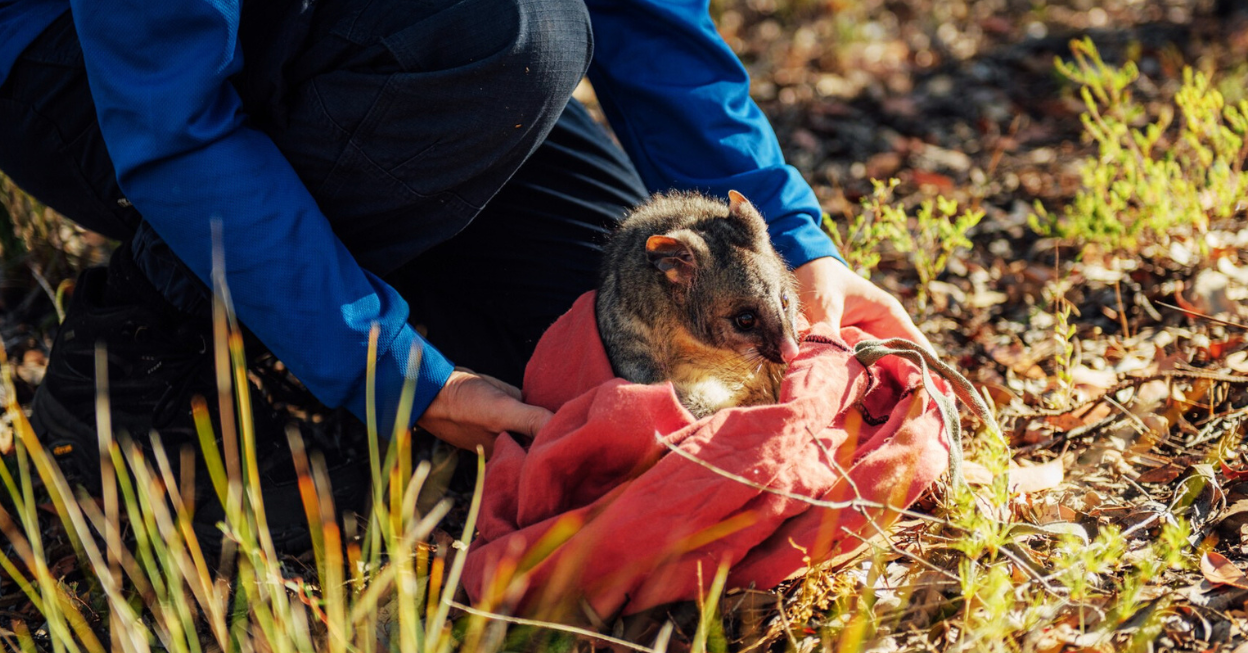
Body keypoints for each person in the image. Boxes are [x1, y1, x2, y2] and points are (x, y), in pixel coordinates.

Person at [0, 0, 930, 544]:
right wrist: (388, 367)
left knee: (612, 342)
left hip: (391, 45)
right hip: (83, 70)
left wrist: (787, 238)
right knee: (514, 31)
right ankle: (132, 373)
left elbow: (645, 14)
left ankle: (334, 262)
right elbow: (169, 118)